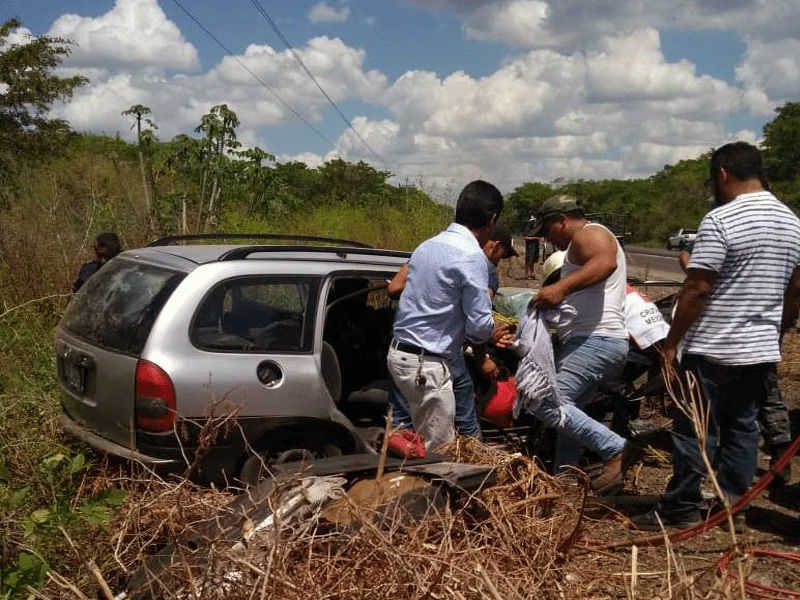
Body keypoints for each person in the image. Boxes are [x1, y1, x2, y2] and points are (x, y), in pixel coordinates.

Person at [632, 141, 800, 531]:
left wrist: (672, 343)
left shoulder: (721, 219)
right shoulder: (792, 222)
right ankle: (732, 508)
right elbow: (795, 290)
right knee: (743, 427)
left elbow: (698, 289)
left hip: (713, 347)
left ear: (723, 174)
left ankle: (680, 508)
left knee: (696, 428)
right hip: (759, 350)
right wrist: (776, 330)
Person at [387, 180, 503, 451]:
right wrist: (492, 331)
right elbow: (479, 327)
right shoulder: (472, 256)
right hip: (426, 365)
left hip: (400, 356)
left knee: (413, 440)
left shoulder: (427, 246)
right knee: (440, 452)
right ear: (491, 220)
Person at [529, 195, 630, 492]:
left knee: (544, 401)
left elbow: (606, 263)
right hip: (593, 341)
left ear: (561, 221)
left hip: (596, 341)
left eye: (547, 230)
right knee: (567, 414)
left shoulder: (589, 233)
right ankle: (565, 481)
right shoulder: (581, 242)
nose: (547, 238)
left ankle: (615, 448)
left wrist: (561, 287)